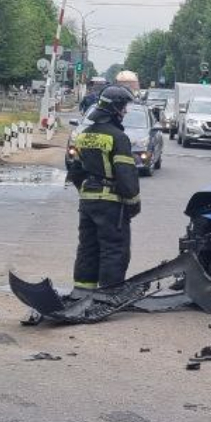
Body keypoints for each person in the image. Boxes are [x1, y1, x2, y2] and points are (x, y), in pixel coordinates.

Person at [66, 85, 141, 297]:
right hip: (111, 203)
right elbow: (126, 175)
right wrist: (134, 203)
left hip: (87, 201)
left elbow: (75, 170)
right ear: (115, 109)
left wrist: (87, 190)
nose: (125, 112)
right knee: (114, 249)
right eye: (123, 108)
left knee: (87, 247)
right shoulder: (118, 137)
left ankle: (81, 291)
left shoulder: (84, 135)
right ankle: (108, 295)